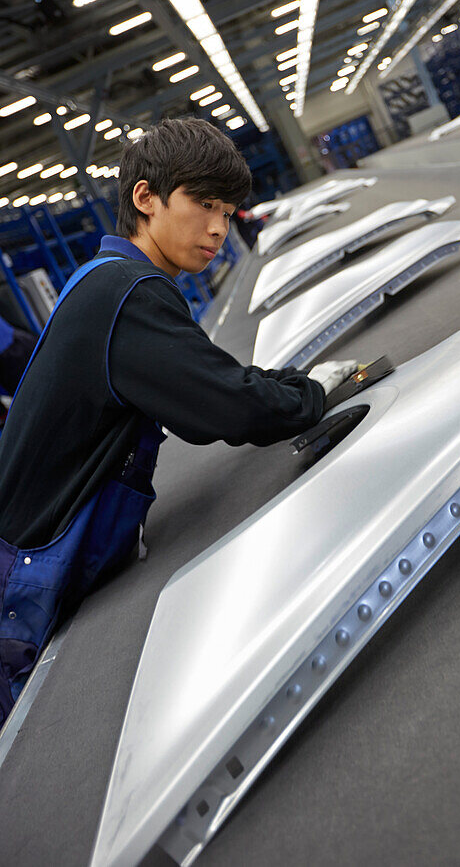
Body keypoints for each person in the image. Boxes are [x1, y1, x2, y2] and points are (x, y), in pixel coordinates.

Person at [0, 118, 357, 728]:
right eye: (204, 204)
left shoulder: (102, 280)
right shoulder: (128, 293)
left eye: (229, 210)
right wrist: (314, 391)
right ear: (146, 198)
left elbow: (201, 380)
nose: (220, 226)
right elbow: (227, 406)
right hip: (20, 578)